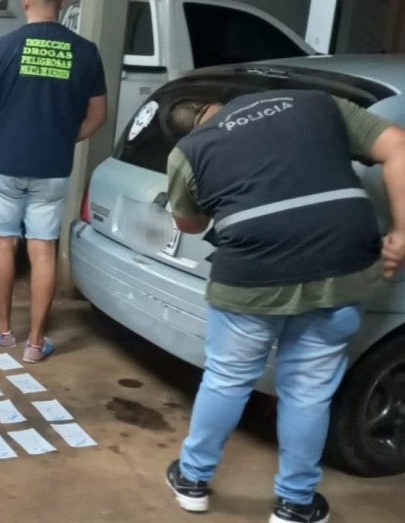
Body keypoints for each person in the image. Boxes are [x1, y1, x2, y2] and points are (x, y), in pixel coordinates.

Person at [162, 90, 405, 523]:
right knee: (309, 392)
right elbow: (398, 146)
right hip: (341, 263)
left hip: (252, 274)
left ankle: (192, 480)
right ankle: (295, 504)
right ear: (222, 104)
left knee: (227, 380)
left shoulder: (189, 152)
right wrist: (402, 232)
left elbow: (190, 224)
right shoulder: (316, 102)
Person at [0, 0, 107, 362]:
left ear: (25, 2)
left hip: (4, 163)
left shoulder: (2, 48)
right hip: (53, 167)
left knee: (3, 245)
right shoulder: (86, 51)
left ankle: (3, 331)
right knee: (42, 250)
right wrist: (64, 139)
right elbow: (98, 115)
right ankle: (36, 344)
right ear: (61, 3)